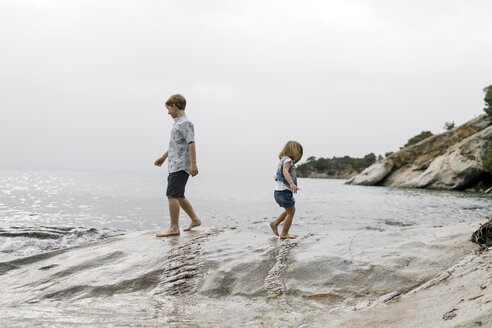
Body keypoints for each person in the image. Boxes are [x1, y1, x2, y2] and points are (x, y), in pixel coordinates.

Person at [154, 94, 201, 237]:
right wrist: (163, 157)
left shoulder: (186, 123)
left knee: (172, 194)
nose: (168, 112)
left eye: (168, 109)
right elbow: (175, 145)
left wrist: (193, 164)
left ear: (174, 106)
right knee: (178, 195)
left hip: (181, 165)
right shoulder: (177, 124)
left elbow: (191, 143)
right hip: (174, 164)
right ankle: (195, 219)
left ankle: (174, 227)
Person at [270, 141, 303, 239]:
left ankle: (275, 223)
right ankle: (284, 233)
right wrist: (292, 184)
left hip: (278, 192)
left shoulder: (282, 159)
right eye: (299, 152)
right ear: (293, 150)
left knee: (290, 210)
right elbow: (285, 171)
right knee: (291, 212)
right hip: (284, 192)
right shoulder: (288, 160)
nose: (299, 155)